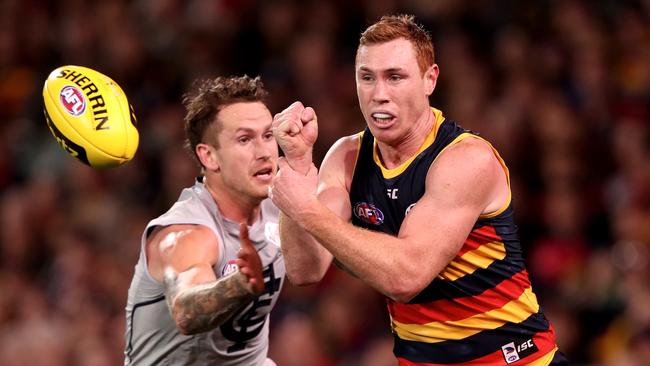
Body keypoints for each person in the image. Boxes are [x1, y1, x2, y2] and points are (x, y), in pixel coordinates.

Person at [271, 14, 569, 365]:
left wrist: (305, 209)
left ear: (430, 79)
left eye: (395, 77)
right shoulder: (347, 157)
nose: (379, 94)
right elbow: (306, 270)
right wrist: (298, 164)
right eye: (367, 78)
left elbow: (406, 276)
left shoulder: (465, 159)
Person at [124, 75, 284, 365]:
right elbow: (186, 311)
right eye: (245, 139)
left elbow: (313, 269)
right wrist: (239, 285)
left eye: (268, 135)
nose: (264, 152)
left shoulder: (280, 202)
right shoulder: (186, 234)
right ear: (209, 157)